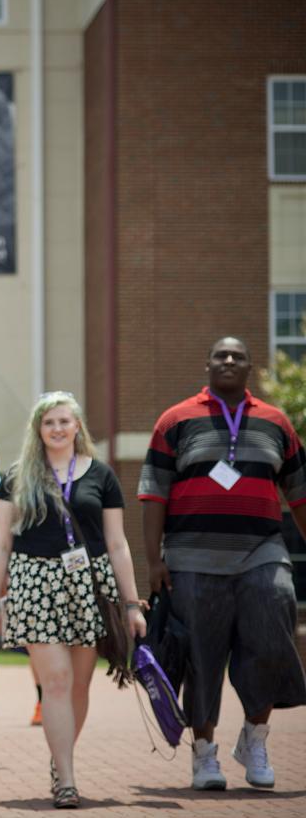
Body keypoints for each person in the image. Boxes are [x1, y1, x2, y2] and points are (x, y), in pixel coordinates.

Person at [139, 336, 306, 791]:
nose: (229, 360)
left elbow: (299, 496)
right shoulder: (175, 420)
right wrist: (154, 561)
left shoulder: (276, 422)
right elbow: (154, 495)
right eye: (221, 355)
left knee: (273, 638)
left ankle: (254, 738)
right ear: (207, 364)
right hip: (192, 557)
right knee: (202, 658)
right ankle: (204, 754)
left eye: (238, 356)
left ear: (251, 367)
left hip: (261, 552)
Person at [0, 391, 145, 808]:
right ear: (38, 429)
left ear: (77, 427)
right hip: (34, 582)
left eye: (64, 421)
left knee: (78, 686)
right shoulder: (18, 476)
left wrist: (131, 603)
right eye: (49, 422)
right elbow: (0, 543)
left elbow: (117, 543)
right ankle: (67, 779)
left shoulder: (101, 475)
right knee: (55, 681)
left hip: (88, 583)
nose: (57, 428)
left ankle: (60, 759)